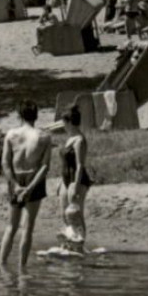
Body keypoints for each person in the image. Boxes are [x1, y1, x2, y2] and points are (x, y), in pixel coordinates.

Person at [0, 101, 52, 270]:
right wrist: (30, 188)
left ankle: (2, 266)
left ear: (19, 115)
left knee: (11, 227)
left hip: (16, 177)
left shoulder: (11, 134)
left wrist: (14, 185)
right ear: (36, 115)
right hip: (33, 178)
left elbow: (5, 163)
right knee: (27, 228)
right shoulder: (44, 136)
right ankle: (22, 269)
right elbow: (45, 166)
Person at [59, 106, 92, 251]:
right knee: (65, 214)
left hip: (77, 180)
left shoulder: (79, 140)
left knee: (76, 214)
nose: (63, 125)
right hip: (65, 180)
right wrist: (62, 183)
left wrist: (75, 185)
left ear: (70, 122)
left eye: (64, 122)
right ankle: (69, 242)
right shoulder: (69, 139)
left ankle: (79, 245)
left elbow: (80, 165)